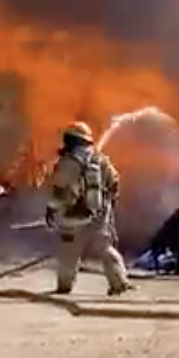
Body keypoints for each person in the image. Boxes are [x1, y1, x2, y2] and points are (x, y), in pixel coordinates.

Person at [43, 120, 132, 297]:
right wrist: (107, 203)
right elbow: (114, 182)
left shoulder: (69, 162)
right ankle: (119, 281)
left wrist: (51, 209)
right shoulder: (100, 159)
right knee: (105, 248)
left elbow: (60, 189)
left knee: (69, 252)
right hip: (98, 214)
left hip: (73, 214)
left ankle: (64, 286)